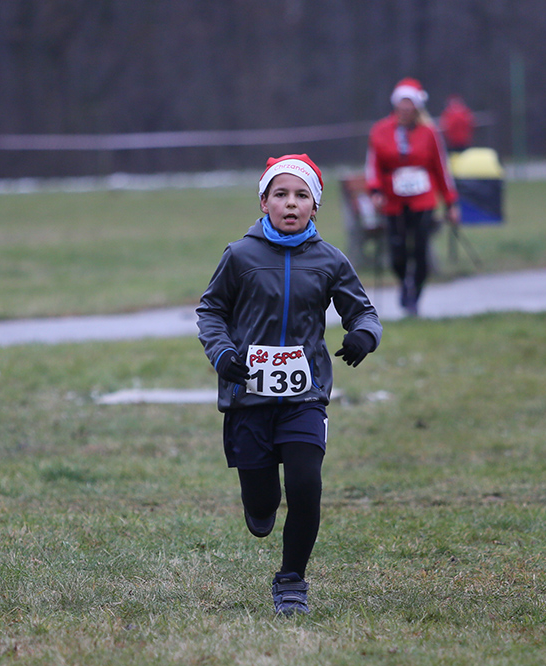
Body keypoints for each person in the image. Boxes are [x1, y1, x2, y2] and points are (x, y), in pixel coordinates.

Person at [197, 154, 382, 617]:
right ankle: (259, 503)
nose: (291, 203)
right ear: (264, 202)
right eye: (280, 194)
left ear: (315, 206)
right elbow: (211, 311)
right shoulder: (240, 256)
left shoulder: (330, 260)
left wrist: (364, 334)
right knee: (263, 504)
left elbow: (363, 311)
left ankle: (291, 581)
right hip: (248, 397)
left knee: (305, 485)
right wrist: (223, 354)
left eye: (302, 195)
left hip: (305, 396)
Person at [366, 77, 460, 316]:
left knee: (420, 249)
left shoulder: (429, 132)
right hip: (393, 201)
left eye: (410, 104)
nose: (406, 109)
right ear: (396, 105)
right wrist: (375, 191)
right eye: (403, 104)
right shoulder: (380, 131)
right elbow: (373, 166)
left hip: (422, 199)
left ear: (417, 107)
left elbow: (441, 168)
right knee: (397, 252)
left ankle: (414, 296)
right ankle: (404, 282)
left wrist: (450, 202)